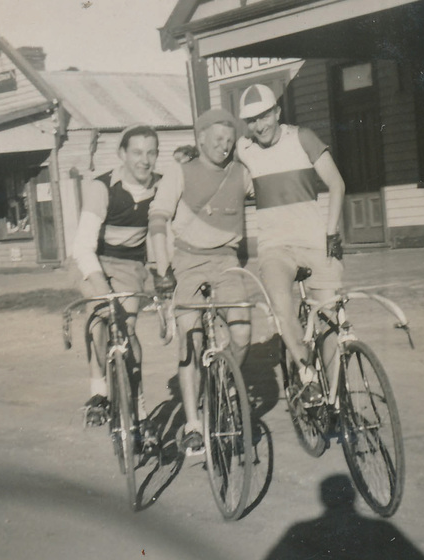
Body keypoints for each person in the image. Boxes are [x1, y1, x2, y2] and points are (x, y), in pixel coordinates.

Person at [149, 108, 254, 453]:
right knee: (190, 340)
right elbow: (159, 220)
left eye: (229, 140)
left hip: (226, 260)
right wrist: (163, 271)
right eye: (217, 139)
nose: (224, 146)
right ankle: (194, 423)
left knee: (242, 332)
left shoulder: (241, 173)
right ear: (200, 139)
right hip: (187, 260)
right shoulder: (179, 173)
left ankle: (223, 384)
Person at [236, 84, 345, 405]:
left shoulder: (303, 137)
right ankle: (306, 374)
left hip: (316, 243)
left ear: (277, 113)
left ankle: (335, 398)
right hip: (275, 249)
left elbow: (336, 183)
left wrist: (331, 231)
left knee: (329, 318)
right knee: (281, 307)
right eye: (252, 120)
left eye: (265, 116)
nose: (260, 125)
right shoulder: (244, 149)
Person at [72, 123, 160, 446]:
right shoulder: (103, 188)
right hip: (94, 260)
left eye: (151, 152)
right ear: (122, 154)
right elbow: (82, 247)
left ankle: (139, 409)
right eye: (137, 152)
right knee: (99, 319)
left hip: (129, 266)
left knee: (128, 330)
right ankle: (99, 392)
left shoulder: (161, 188)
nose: (144, 160)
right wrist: (101, 288)